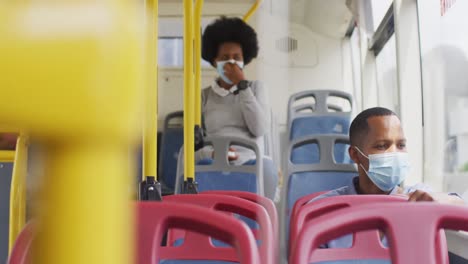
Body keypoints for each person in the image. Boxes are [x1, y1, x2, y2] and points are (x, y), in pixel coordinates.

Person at [310, 107, 464, 248]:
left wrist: (442, 201)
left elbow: (462, 211)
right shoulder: (324, 209)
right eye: (382, 146)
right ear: (355, 155)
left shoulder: (418, 197)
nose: (394, 154)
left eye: (401, 145)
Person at [195, 16, 277, 198]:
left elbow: (260, 128)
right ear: (215, 61)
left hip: (250, 161)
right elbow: (194, 147)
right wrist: (214, 153)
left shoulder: (256, 89)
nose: (231, 63)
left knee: (267, 170)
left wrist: (242, 87)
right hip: (214, 161)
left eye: (236, 57)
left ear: (244, 60)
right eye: (225, 58)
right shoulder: (204, 96)